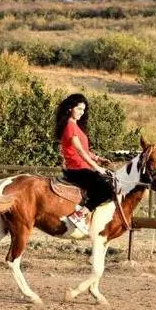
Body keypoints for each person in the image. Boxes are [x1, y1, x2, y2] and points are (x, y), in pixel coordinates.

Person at [54, 93, 113, 230]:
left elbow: (85, 151)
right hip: (76, 169)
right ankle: (80, 214)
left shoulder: (76, 126)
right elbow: (79, 151)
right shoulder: (70, 126)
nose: (82, 112)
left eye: (83, 110)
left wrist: (98, 158)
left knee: (110, 181)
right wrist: (97, 167)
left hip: (83, 167)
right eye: (79, 108)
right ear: (70, 108)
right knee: (107, 188)